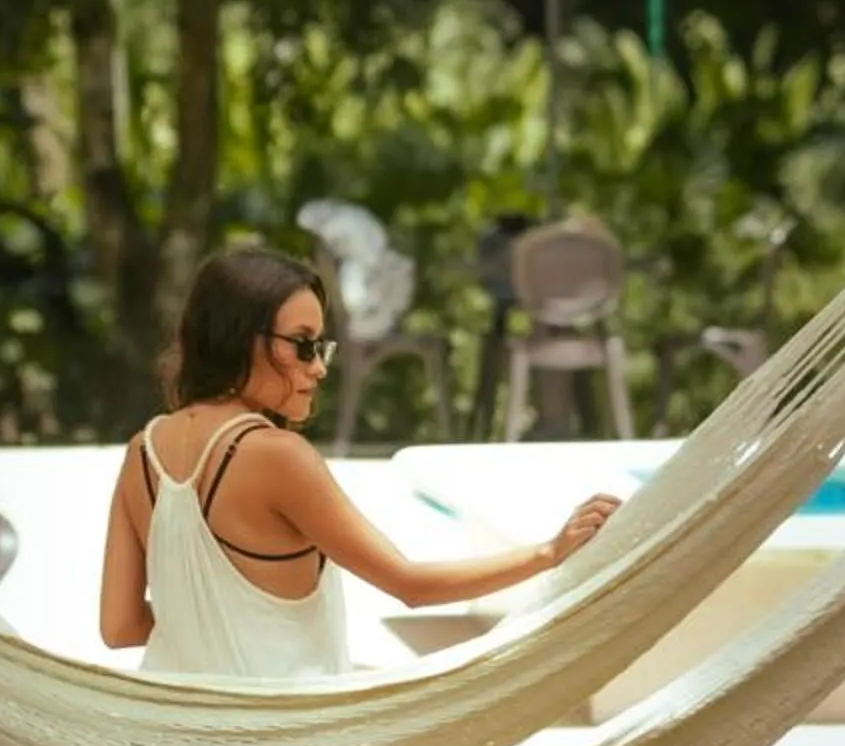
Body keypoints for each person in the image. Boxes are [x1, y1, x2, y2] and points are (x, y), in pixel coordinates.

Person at [100, 244, 619, 678]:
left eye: (320, 346)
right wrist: (549, 552)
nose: (318, 368)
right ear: (238, 338)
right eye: (302, 346)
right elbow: (409, 585)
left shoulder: (140, 453)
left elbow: (119, 627)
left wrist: (213, 630)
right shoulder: (275, 456)